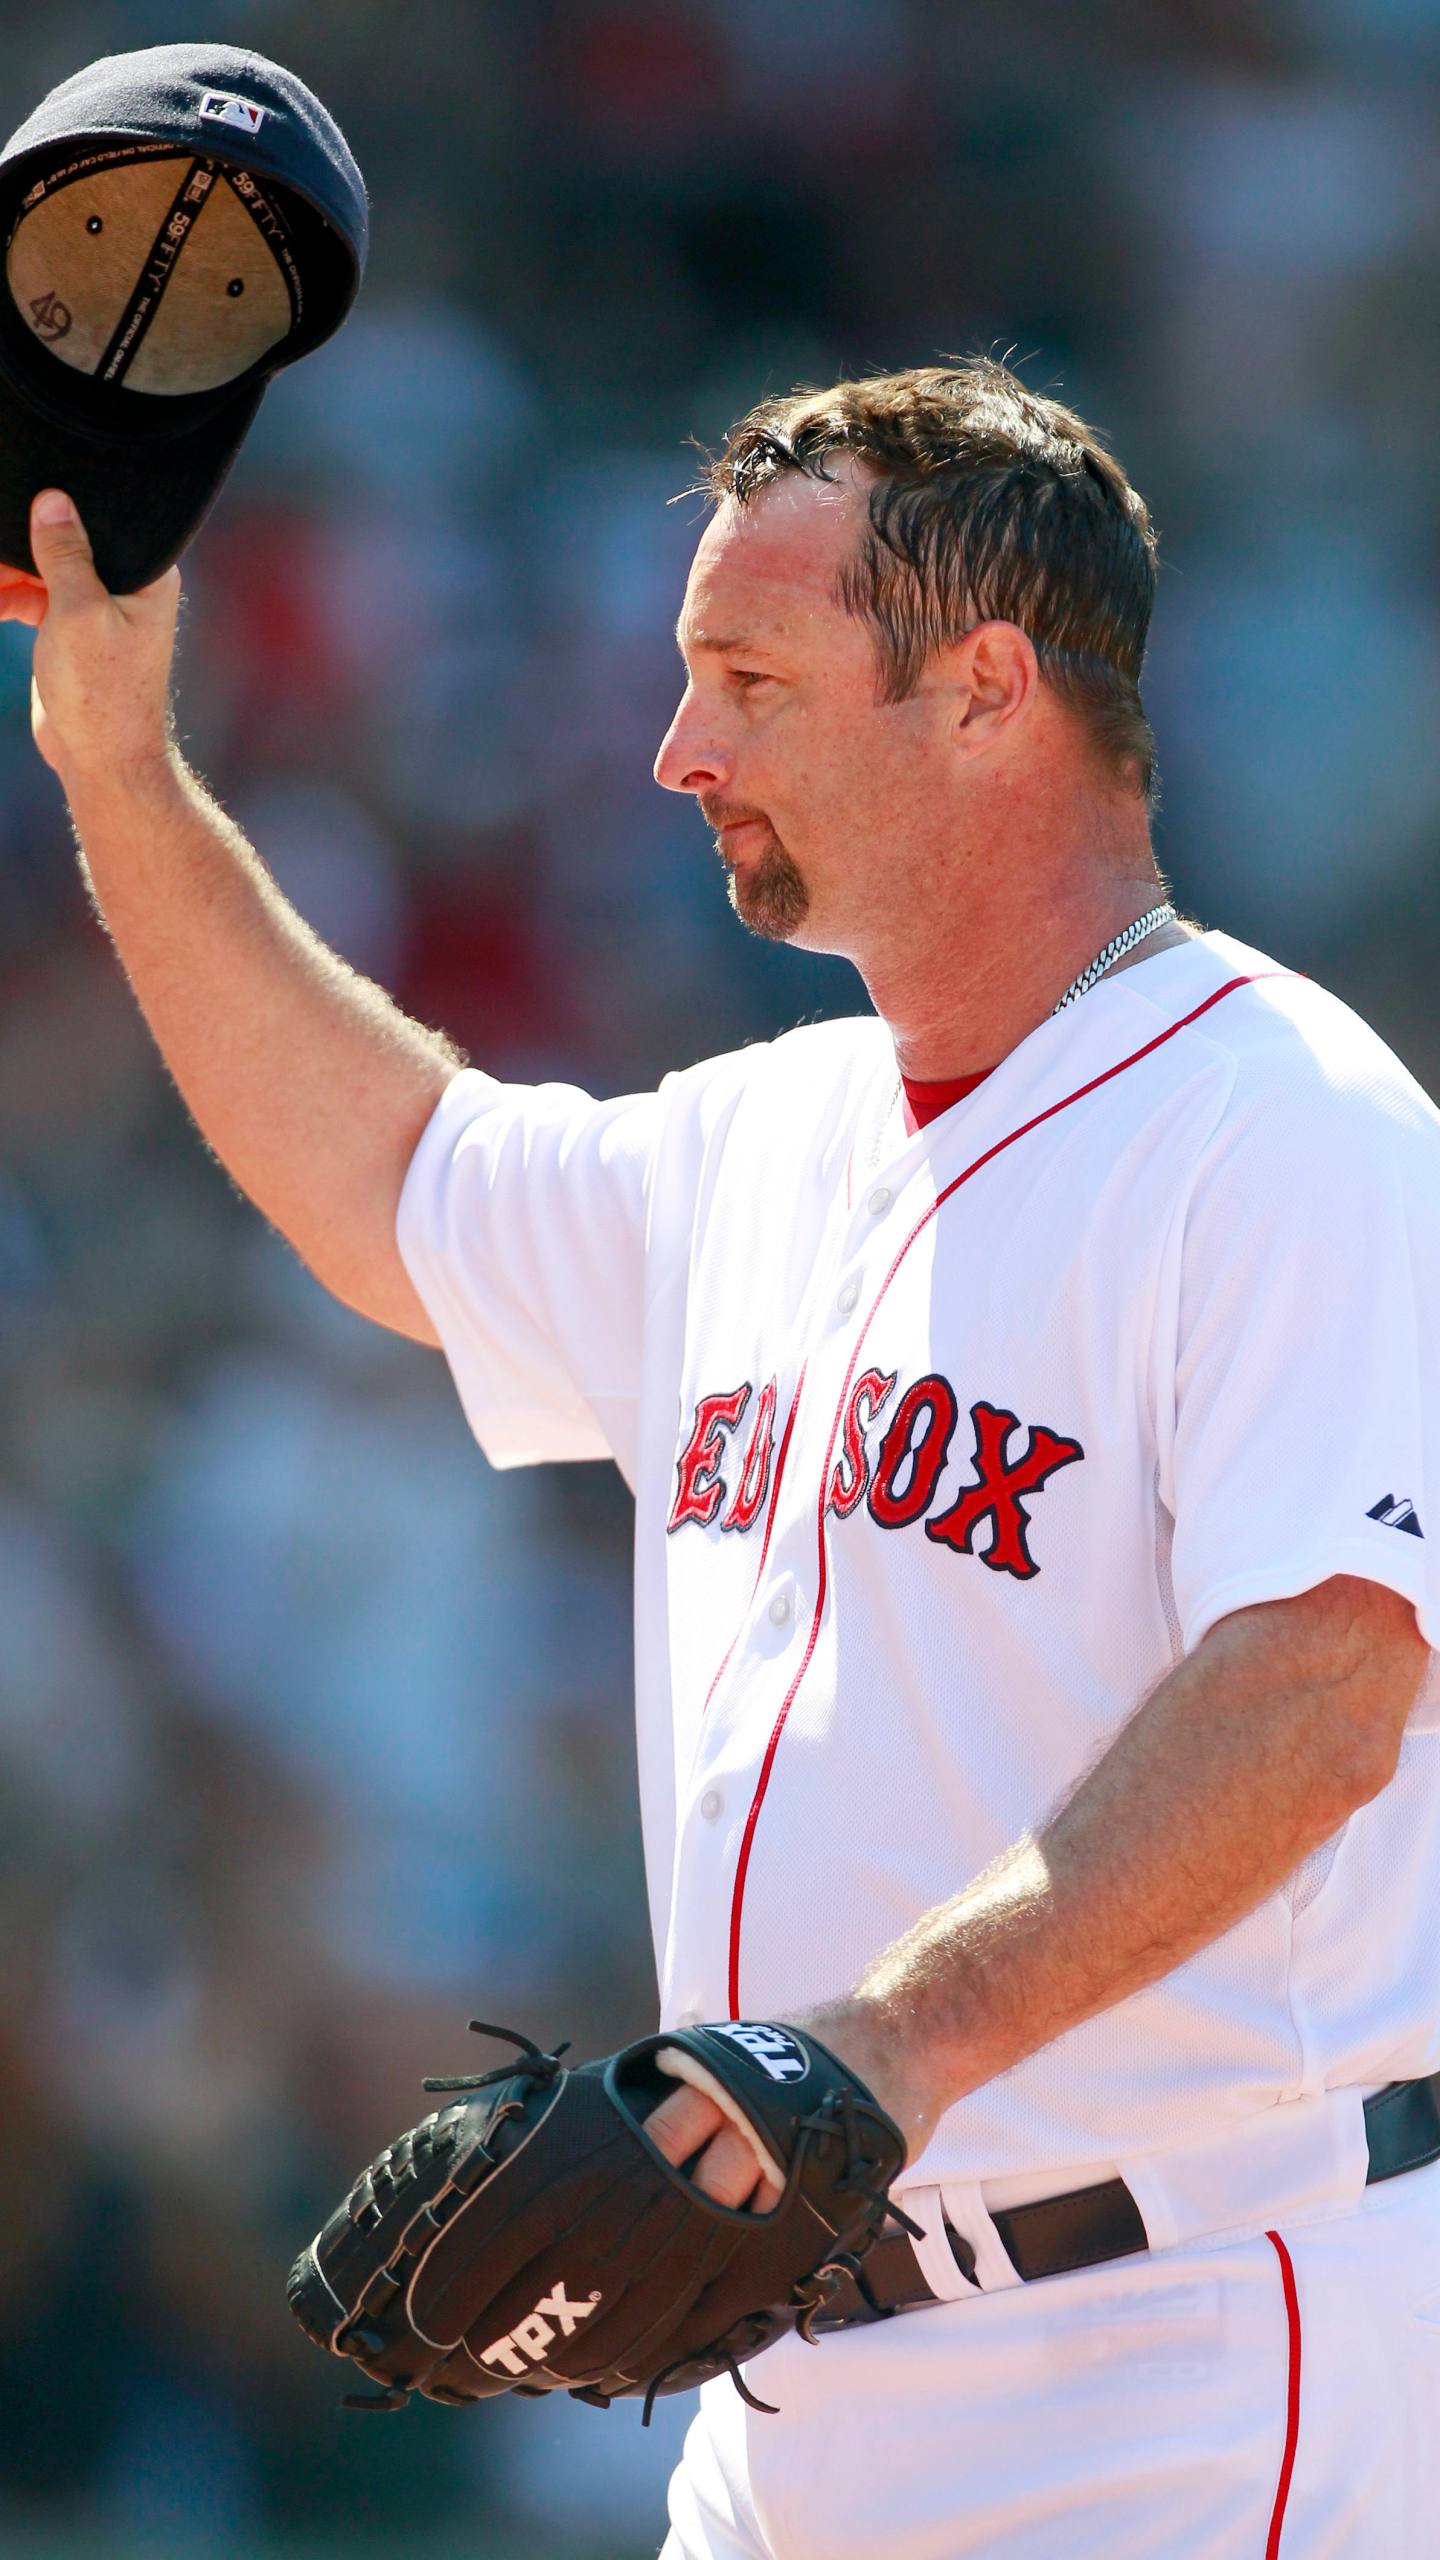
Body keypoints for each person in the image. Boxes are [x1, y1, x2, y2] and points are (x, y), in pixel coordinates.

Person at [8, 360, 1440, 2558]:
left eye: (748, 677)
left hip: (1185, 2352)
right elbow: (385, 1173)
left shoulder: (1284, 1127)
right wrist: (118, 758)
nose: (680, 747)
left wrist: (881, 2043)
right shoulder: (759, 1141)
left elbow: (1326, 1684)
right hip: (791, 2393)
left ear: (983, 691)